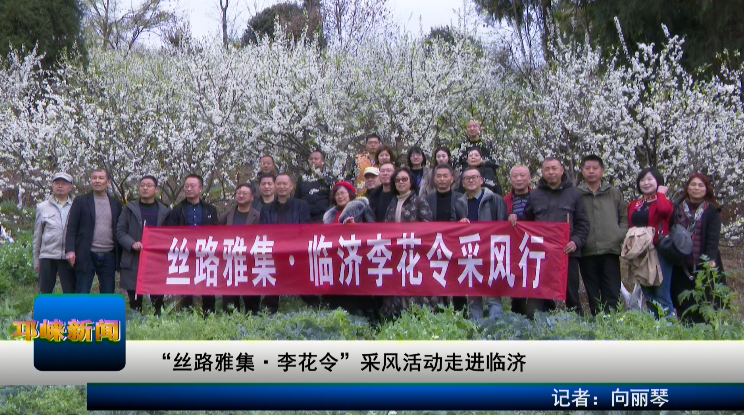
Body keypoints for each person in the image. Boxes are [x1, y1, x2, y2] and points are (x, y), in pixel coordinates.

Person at [522, 157, 590, 316]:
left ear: (562, 170)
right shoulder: (535, 195)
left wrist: (576, 242)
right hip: (542, 254)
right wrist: (515, 219)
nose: (551, 172)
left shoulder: (574, 194)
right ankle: (544, 323)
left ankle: (576, 322)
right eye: (547, 169)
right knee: (542, 293)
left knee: (571, 293)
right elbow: (527, 222)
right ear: (542, 172)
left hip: (567, 252)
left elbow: (583, 223)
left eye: (554, 168)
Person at [380, 167, 440, 318]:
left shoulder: (420, 202)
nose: (401, 182)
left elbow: (427, 227)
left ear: (411, 182)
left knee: (416, 288)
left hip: (416, 255)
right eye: (398, 180)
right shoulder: (392, 203)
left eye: (404, 179)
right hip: (396, 255)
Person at [577, 155, 629, 315]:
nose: (591, 171)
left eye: (595, 168)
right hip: (587, 250)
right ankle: (598, 323)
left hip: (610, 249)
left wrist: (619, 234)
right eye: (587, 168)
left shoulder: (613, 192)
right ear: (582, 171)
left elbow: (624, 216)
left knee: (612, 292)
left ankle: (612, 323)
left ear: (602, 171)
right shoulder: (577, 194)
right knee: (593, 294)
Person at [455, 166, 508, 321]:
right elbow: (452, 226)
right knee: (473, 295)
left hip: (491, 251)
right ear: (463, 183)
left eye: (474, 177)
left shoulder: (495, 199)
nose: (471, 180)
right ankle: (475, 327)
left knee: (493, 295)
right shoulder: (459, 203)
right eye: (467, 178)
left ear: (481, 180)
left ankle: (496, 326)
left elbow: (502, 225)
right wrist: (459, 223)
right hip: (470, 252)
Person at [671, 173, 725, 323]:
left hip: (705, 268)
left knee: (706, 307)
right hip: (681, 267)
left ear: (706, 189)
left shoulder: (712, 211)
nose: (696, 188)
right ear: (687, 188)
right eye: (693, 184)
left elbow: (713, 240)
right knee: (684, 309)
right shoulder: (677, 209)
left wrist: (709, 261)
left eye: (701, 185)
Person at [165, 174, 221, 314]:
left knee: (208, 287)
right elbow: (171, 231)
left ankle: (209, 316)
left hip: (206, 253)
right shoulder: (178, 209)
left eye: (192, 186)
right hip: (185, 254)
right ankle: (187, 315)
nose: (189, 189)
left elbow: (216, 231)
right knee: (186, 288)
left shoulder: (210, 209)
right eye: (186, 186)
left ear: (200, 189)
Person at [321, 181, 378, 319]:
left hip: (358, 257)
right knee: (339, 292)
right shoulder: (331, 214)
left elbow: (373, 229)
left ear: (350, 194)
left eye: (342, 193)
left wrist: (355, 227)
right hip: (337, 259)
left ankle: (371, 322)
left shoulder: (361, 207)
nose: (340, 196)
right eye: (337, 194)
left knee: (361, 292)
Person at [116, 175, 170, 315]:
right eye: (142, 185)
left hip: (156, 261)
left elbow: (170, 235)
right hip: (134, 259)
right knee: (135, 301)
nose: (145, 188)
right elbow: (120, 231)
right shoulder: (129, 209)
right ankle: (137, 325)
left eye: (149, 185)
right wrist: (132, 243)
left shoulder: (164, 211)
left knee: (157, 300)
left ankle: (157, 324)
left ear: (156, 189)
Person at [259, 173, 311, 313]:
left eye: (285, 184)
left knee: (304, 283)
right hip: (274, 251)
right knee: (271, 282)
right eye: (279, 184)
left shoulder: (301, 205)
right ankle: (268, 312)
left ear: (291, 186)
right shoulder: (266, 209)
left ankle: (314, 308)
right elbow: (264, 231)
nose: (281, 187)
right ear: (275, 186)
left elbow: (305, 228)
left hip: (297, 251)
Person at [65, 168, 123, 294]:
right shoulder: (81, 201)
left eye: (101, 178)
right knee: (82, 291)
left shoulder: (116, 204)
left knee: (108, 293)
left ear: (108, 182)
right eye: (94, 178)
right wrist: (70, 250)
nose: (97, 181)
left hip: (109, 255)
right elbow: (71, 227)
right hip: (86, 253)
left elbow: (120, 230)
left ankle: (104, 309)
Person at [627, 167, 675, 318]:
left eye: (649, 179)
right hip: (640, 252)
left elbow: (665, 211)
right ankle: (655, 326)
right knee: (648, 294)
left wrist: (661, 194)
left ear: (658, 182)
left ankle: (669, 327)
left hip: (658, 251)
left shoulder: (663, 201)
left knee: (661, 293)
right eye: (642, 180)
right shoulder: (634, 205)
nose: (645, 183)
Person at [503, 165, 540, 318]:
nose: (519, 179)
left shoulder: (538, 198)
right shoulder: (505, 201)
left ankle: (538, 316)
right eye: (515, 176)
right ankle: (518, 318)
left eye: (522, 175)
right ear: (510, 180)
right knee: (517, 284)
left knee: (536, 282)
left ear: (529, 179)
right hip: (514, 249)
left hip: (536, 247)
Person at [220, 183, 261, 314]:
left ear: (252, 197)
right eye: (239, 193)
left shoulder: (258, 216)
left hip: (250, 262)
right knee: (230, 302)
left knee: (251, 301)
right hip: (230, 262)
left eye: (245, 193)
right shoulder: (226, 216)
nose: (241, 196)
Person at [33, 172, 75, 294]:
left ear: (70, 187)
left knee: (70, 292)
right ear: (52, 185)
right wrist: (36, 259)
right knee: (45, 292)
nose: (60, 186)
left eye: (63, 183)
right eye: (57, 183)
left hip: (68, 256)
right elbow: (37, 235)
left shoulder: (77, 205)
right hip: (48, 255)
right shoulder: (42, 207)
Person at [296, 150, 333, 223]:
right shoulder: (302, 178)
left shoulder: (329, 179)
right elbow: (297, 197)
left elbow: (332, 200)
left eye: (316, 159)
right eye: (311, 159)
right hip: (305, 217)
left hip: (323, 217)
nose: (313, 161)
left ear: (323, 161)